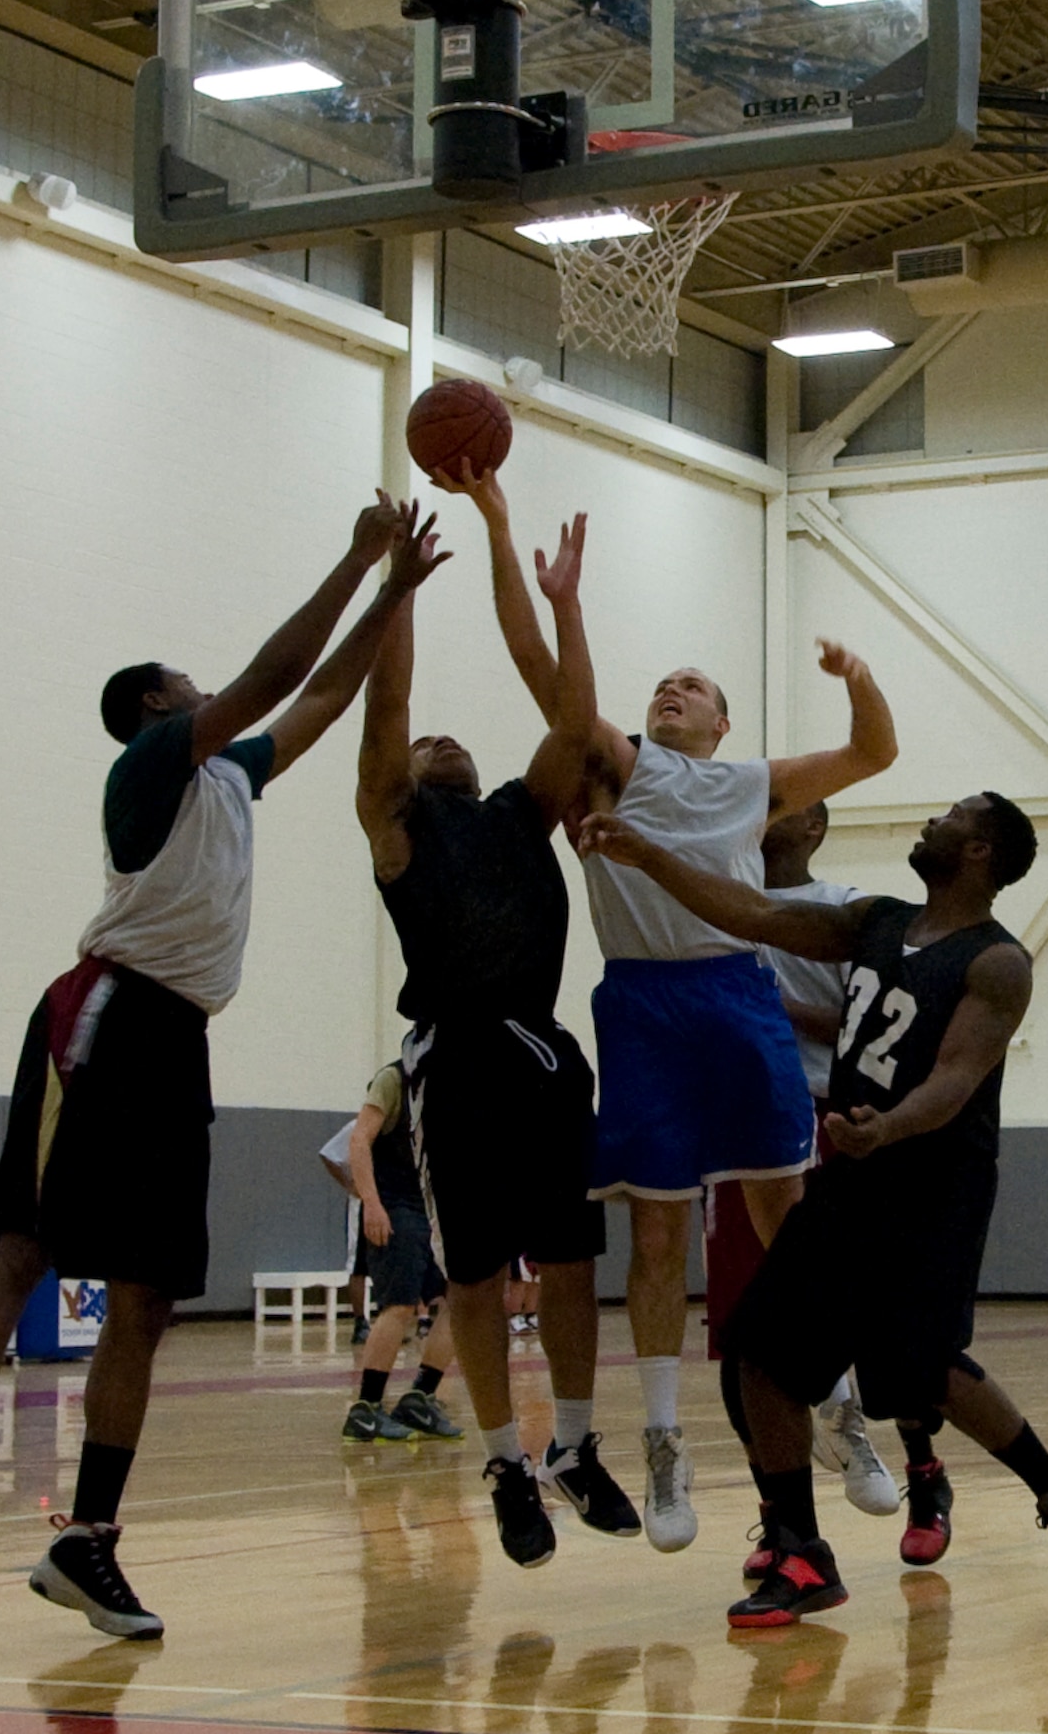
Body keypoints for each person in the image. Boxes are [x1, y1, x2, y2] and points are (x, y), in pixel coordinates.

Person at [0, 495, 446, 1639]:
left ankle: (86, 1539)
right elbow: (279, 670)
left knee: (145, 1296)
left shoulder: (231, 776)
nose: (204, 691)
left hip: (178, 1040)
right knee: (29, 1240)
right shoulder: (152, 760)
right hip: (102, 1015)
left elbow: (325, 696)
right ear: (154, 702)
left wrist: (393, 600)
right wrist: (356, 558)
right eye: (185, 681)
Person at [450, 464, 897, 1553]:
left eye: (690, 684)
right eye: (661, 684)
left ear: (724, 717)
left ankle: (839, 1402)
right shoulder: (613, 770)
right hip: (645, 1003)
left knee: (784, 1213)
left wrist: (858, 673)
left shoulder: (751, 782)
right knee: (656, 1236)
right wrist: (526, 558)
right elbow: (537, 670)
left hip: (736, 992)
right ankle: (660, 1439)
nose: (670, 691)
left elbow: (876, 750)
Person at [579, 792, 1048, 1627]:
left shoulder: (997, 962)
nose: (932, 821)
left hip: (932, 1182)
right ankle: (799, 1551)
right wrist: (648, 859)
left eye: (952, 817)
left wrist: (890, 1126)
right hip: (854, 1168)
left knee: (914, 1370)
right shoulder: (876, 921)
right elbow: (755, 912)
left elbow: (954, 1080)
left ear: (981, 853)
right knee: (757, 1352)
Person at [355, 510, 638, 1567]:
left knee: (568, 1263)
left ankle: (570, 1441)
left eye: (449, 742)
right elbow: (388, 711)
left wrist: (554, 589)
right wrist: (400, 592)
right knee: (471, 1279)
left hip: (547, 1055)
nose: (442, 741)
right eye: (430, 746)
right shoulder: (398, 827)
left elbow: (574, 715)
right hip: (459, 1062)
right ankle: (504, 1462)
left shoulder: (523, 808)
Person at [709, 802, 898, 1528]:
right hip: (738, 1119)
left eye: (784, 806)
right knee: (741, 1327)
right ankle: (783, 1517)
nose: (765, 813)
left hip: (826, 1111)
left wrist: (769, 1006)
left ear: (815, 827)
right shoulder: (721, 901)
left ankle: (856, 1425)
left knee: (834, 1300)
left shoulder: (844, 910)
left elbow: (864, 1025)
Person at [341, 1057, 463, 1443]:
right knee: (400, 1305)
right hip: (397, 1207)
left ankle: (420, 1397)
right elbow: (358, 1140)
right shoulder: (395, 1080)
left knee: (460, 1302)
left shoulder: (451, 1084)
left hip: (432, 1211)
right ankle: (366, 1407)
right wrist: (371, 1203)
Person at [318, 1121, 372, 1343]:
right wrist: (349, 1183)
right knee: (358, 1263)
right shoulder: (357, 1127)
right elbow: (328, 1154)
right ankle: (360, 1322)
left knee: (393, 1261)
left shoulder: (400, 1126)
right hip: (362, 1203)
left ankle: (392, 1319)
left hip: (392, 1202)